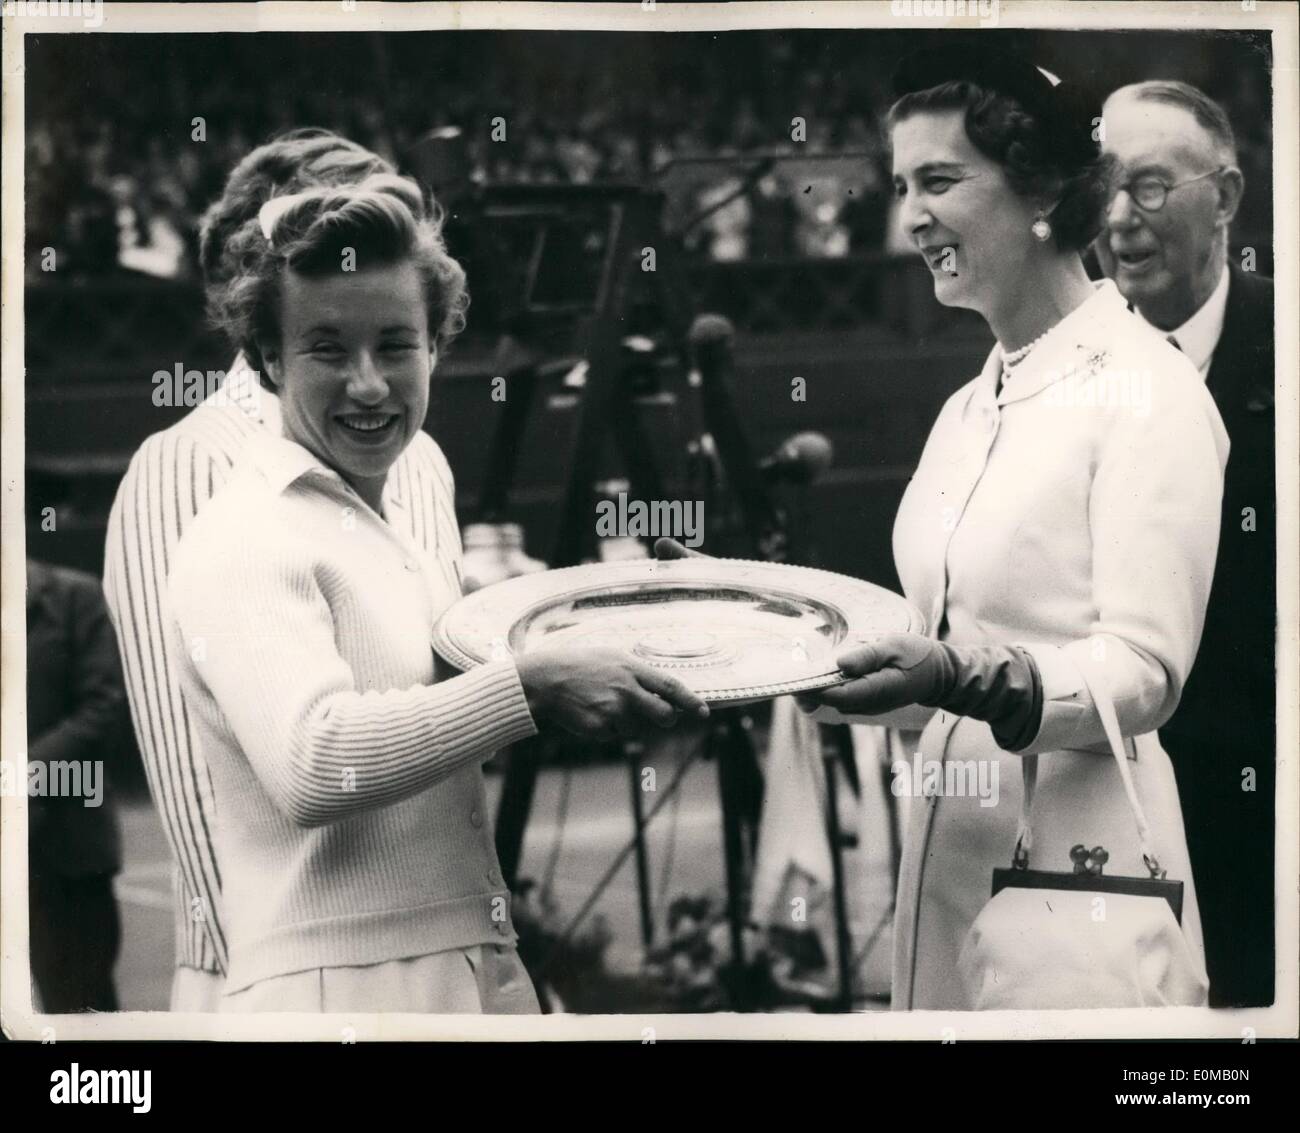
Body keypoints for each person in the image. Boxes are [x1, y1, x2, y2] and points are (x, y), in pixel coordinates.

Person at [163, 170, 707, 1013]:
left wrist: (634, 611)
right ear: (268, 358)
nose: (371, 384)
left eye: (396, 344)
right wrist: (528, 686)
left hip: (463, 964)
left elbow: (447, 709)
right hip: (335, 995)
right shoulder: (244, 532)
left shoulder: (394, 532)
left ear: (436, 347)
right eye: (327, 349)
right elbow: (316, 762)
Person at [788, 47, 1227, 1010]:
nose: (911, 215)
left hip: (1084, 879)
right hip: (948, 857)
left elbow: (1146, 671)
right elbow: (929, 652)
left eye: (939, 180)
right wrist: (779, 643)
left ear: (1041, 193)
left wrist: (962, 674)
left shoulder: (1146, 389)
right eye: (902, 185)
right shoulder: (967, 404)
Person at [103, 131, 458, 1011]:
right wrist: (261, 983)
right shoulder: (181, 465)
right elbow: (195, 772)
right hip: (265, 972)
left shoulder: (421, 455)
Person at [1098, 81, 1275, 1008]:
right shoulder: (1069, 366)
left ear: (1229, 197)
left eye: (1153, 188)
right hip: (1106, 840)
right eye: (1105, 188)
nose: (1121, 219)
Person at [26, 558, 129, 1012]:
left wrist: (20, 775)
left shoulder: (74, 597)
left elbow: (104, 707)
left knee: (80, 1009)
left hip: (67, 850)